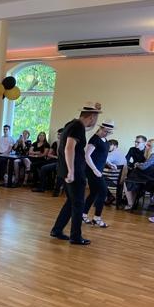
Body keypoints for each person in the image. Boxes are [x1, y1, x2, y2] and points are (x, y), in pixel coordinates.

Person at [50, 102, 102, 245]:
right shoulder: (78, 127)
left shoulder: (71, 124)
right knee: (78, 204)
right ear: (91, 117)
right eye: (95, 118)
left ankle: (57, 230)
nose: (95, 122)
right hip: (74, 172)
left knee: (71, 202)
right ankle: (75, 237)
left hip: (65, 170)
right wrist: (71, 171)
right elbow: (69, 148)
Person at [82, 121, 114, 228]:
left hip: (98, 170)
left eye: (109, 132)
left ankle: (83, 214)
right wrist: (95, 169)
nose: (106, 133)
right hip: (92, 170)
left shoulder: (105, 140)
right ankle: (97, 218)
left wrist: (110, 163)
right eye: (105, 131)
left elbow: (102, 155)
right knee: (103, 191)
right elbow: (87, 156)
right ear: (100, 128)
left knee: (94, 193)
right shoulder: (94, 139)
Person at [123, 139, 154, 210]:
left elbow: (143, 167)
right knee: (132, 178)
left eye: (149, 145)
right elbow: (145, 165)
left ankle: (130, 203)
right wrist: (139, 164)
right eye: (146, 145)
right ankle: (132, 202)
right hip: (153, 177)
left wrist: (137, 164)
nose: (146, 147)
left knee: (128, 180)